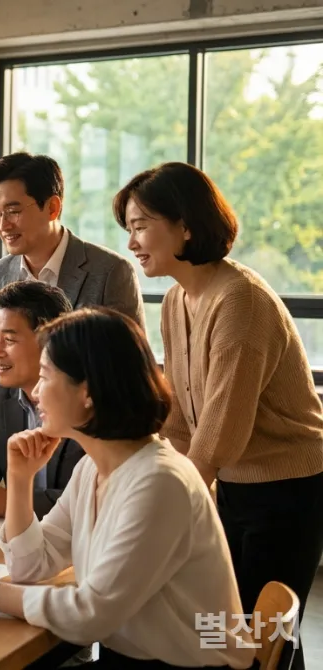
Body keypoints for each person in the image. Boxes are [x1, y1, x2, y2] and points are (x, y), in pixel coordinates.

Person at [0, 308, 255, 670]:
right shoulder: (93, 467)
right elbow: (31, 565)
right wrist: (19, 481)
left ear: (87, 391)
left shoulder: (159, 482)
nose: (36, 393)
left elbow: (91, 614)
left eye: (44, 376)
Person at [118, 162, 323, 670]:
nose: (132, 243)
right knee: (226, 630)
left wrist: (160, 505)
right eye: (129, 229)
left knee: (259, 637)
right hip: (228, 484)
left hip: (288, 488)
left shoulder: (240, 301)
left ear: (185, 225)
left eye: (141, 226)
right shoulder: (174, 299)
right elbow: (180, 421)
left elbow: (218, 439)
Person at [0, 152, 143, 418]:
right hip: (18, 430)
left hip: (88, 434)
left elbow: (126, 369)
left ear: (52, 207)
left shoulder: (110, 272)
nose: (3, 224)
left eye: (13, 211)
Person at [0, 280, 82, 519]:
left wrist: (13, 502)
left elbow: (91, 498)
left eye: (9, 340)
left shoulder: (84, 399)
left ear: (48, 340)